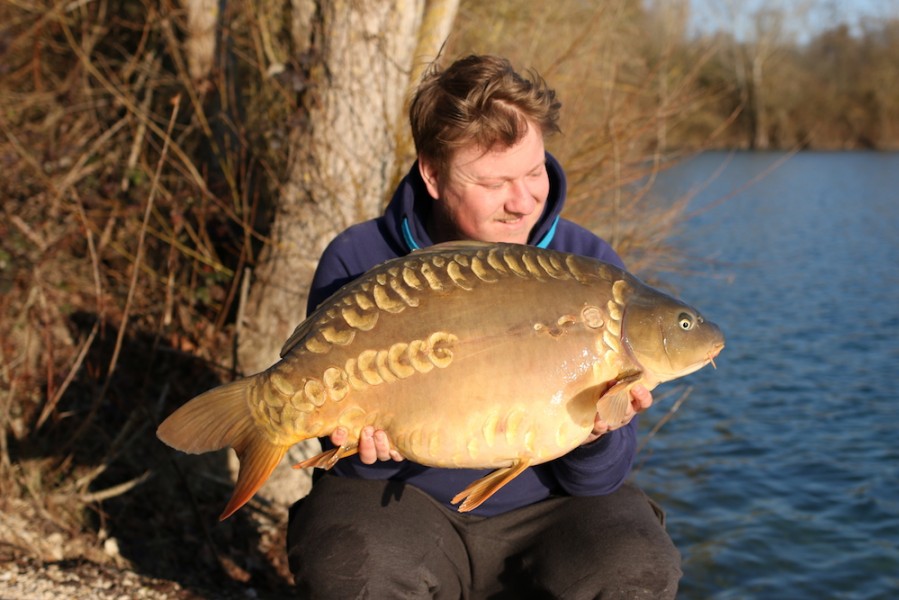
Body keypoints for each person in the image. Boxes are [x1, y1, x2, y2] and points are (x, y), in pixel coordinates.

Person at [286, 54, 681, 599]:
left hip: (548, 508)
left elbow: (598, 482)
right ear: (433, 173)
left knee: (637, 565)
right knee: (353, 562)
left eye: (534, 171)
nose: (523, 201)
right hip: (403, 505)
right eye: (494, 182)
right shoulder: (359, 259)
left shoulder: (590, 266)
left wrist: (596, 433)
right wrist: (368, 452)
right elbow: (347, 462)